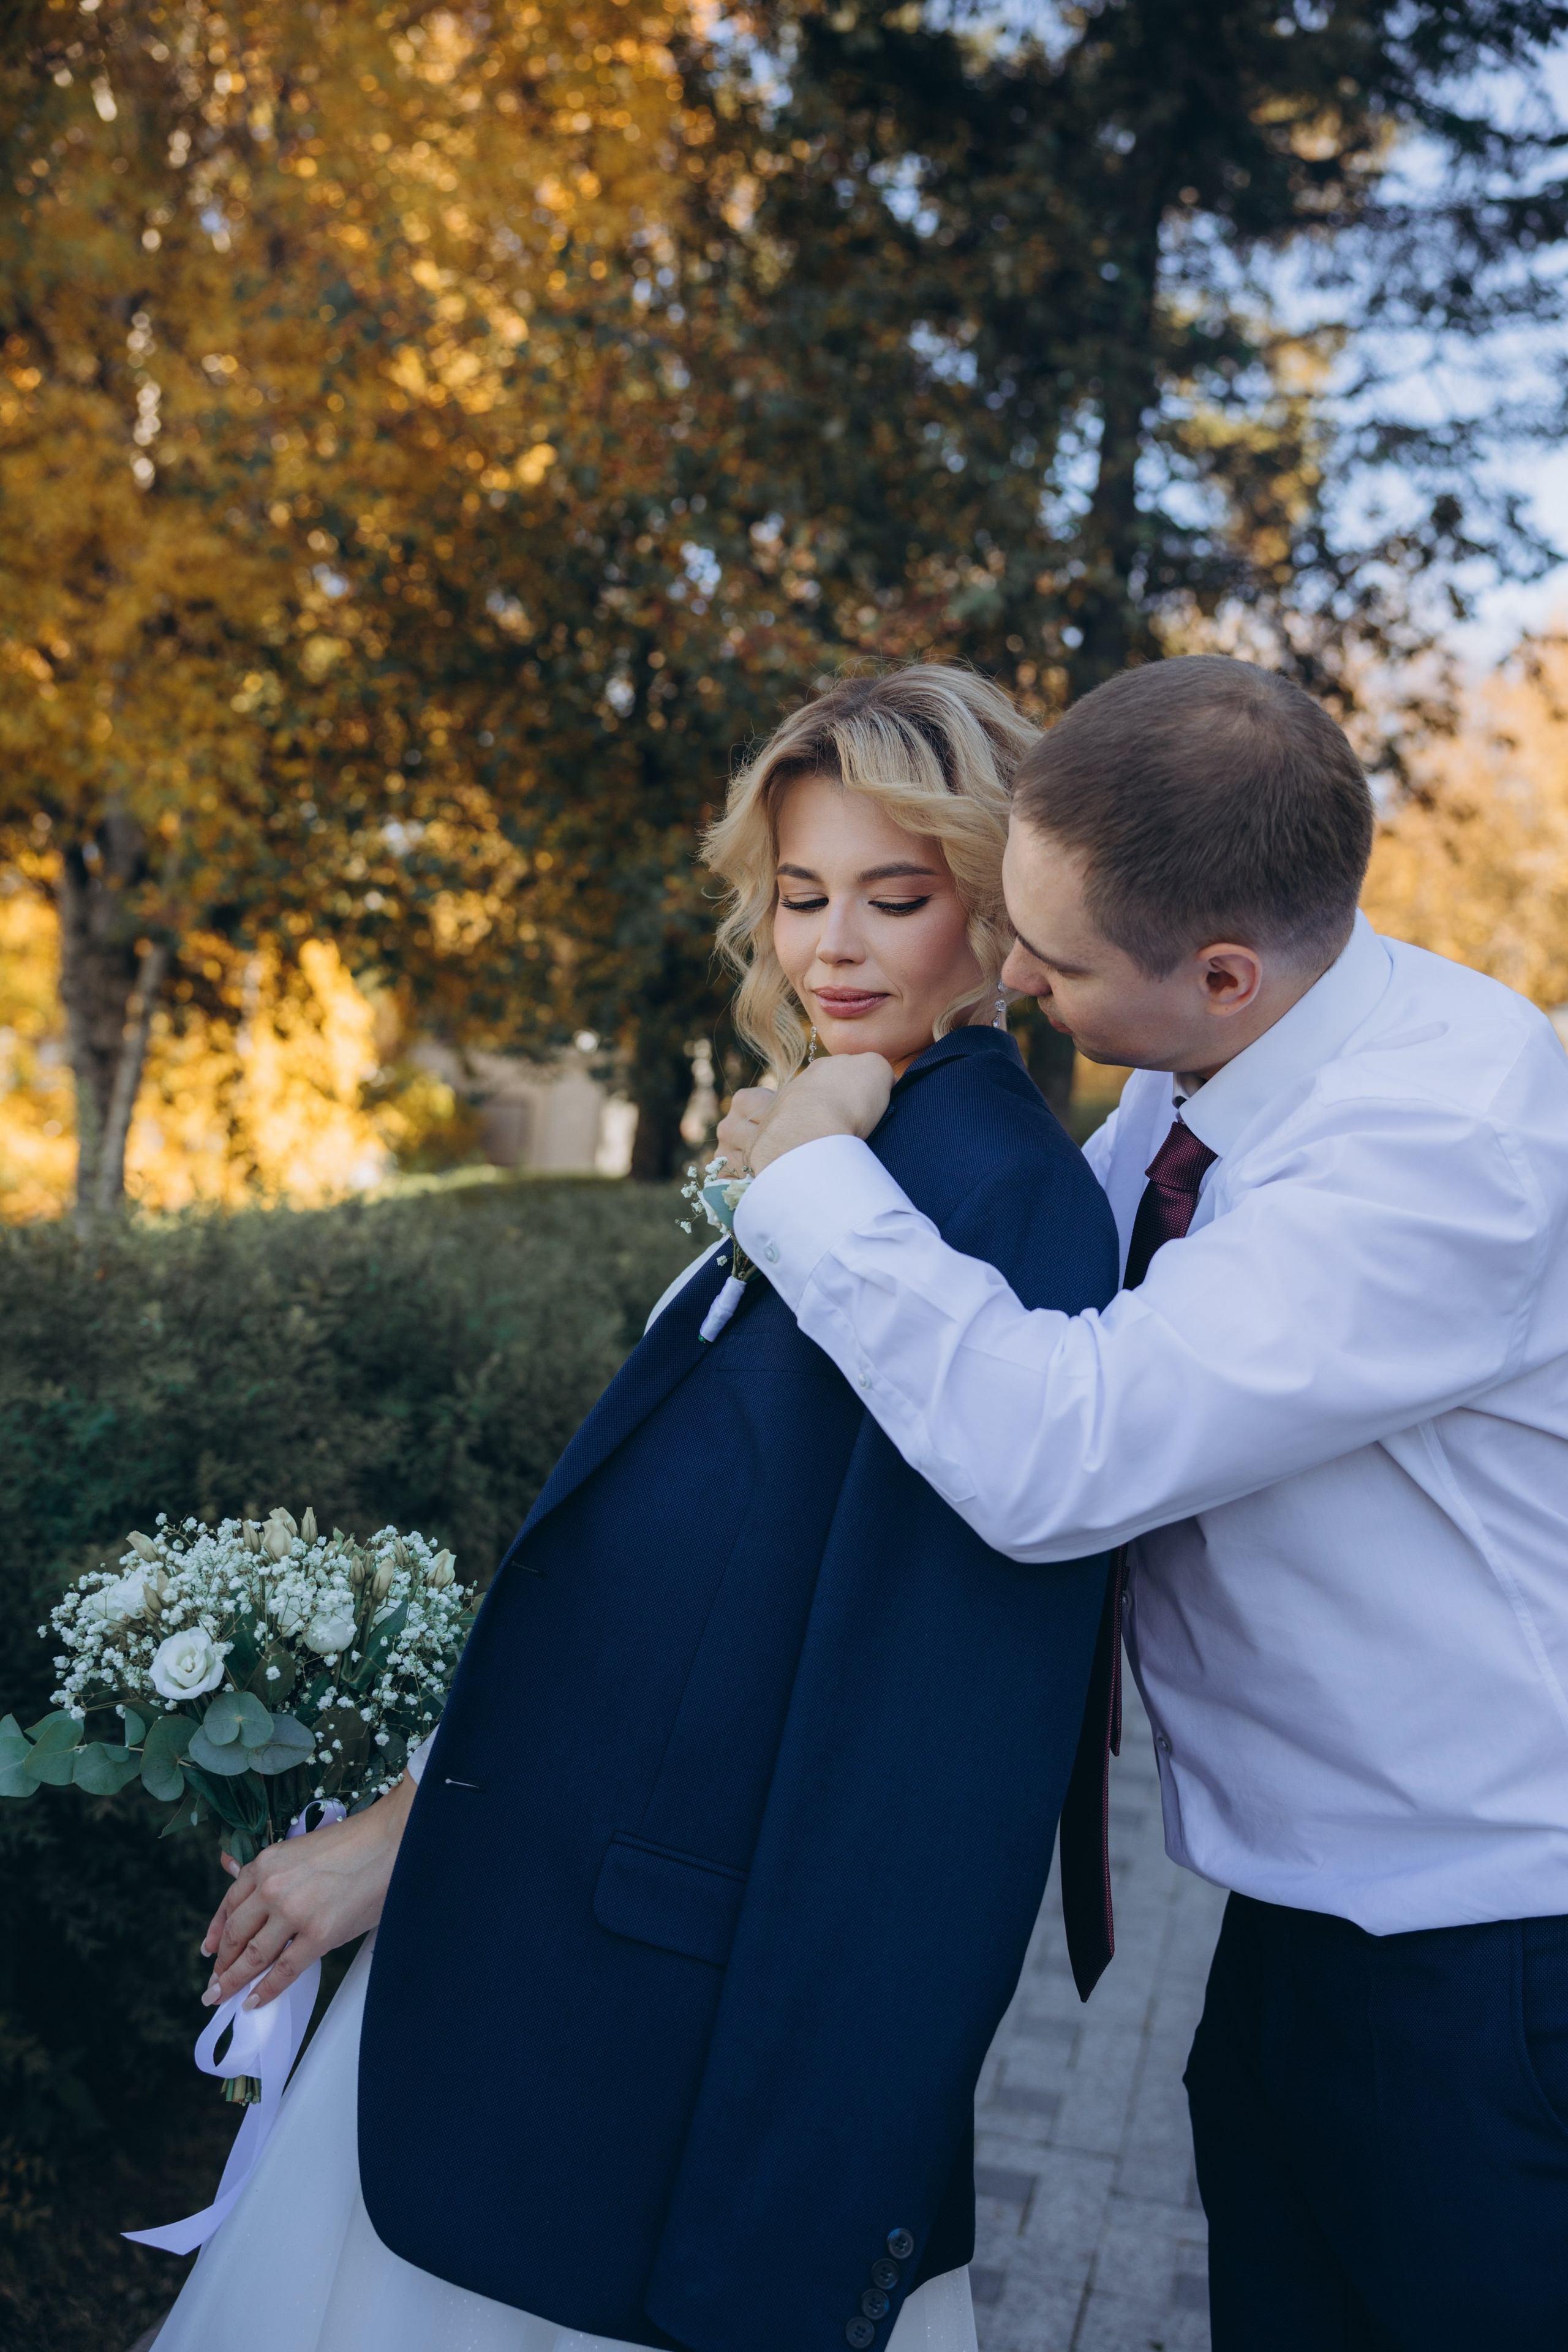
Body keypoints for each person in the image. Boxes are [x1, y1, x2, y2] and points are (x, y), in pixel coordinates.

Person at [155, 665, 1120, 2352]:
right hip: (536, 1979)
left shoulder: (997, 1202)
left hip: (674, 2079)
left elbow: (921, 1762)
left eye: (895, 900)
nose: (831, 947)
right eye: (800, 896)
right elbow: (665, 1608)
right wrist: (406, 1830)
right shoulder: (841, 1143)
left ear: (1004, 914)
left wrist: (797, 2219)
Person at [716, 652, 1568, 2352]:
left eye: (1052, 956)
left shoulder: (1440, 1150)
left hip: (1491, 1966)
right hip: (1301, 1921)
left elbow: (1063, 1447)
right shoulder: (1207, 1066)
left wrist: (803, 1177)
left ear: (1229, 972)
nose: (1014, 978)